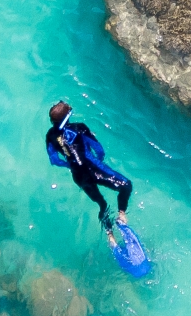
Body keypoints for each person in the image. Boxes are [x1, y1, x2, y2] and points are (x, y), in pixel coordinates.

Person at [45, 101, 133, 243]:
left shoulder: (50, 136)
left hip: (78, 176)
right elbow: (99, 149)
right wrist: (99, 160)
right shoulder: (79, 128)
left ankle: (110, 236)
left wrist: (69, 165)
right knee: (126, 185)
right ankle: (121, 214)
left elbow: (54, 160)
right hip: (95, 168)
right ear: (68, 115)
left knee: (102, 204)